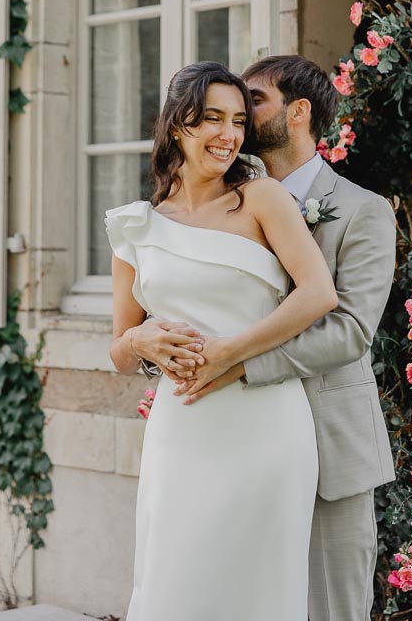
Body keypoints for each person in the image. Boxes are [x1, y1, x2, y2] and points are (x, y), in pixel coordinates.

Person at [106, 61, 337, 621]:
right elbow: (117, 350)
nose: (229, 134)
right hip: (180, 430)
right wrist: (142, 339)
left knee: (257, 591)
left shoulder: (261, 199)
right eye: (212, 118)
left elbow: (317, 295)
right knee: (174, 582)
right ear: (178, 125)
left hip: (265, 429)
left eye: (238, 120)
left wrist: (230, 350)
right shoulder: (138, 226)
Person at [174, 54, 397, 621]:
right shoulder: (225, 205)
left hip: (329, 444)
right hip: (237, 441)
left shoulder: (363, 212)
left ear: (298, 113)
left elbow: (350, 330)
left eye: (253, 100)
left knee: (331, 607)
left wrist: (239, 365)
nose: (237, 115)